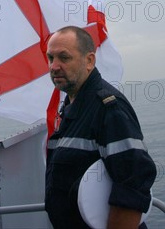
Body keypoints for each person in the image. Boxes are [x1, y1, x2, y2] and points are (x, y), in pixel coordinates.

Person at [45, 26, 156, 229]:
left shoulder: (108, 109)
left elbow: (134, 182)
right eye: (51, 58)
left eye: (64, 58)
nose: (54, 66)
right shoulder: (71, 108)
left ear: (89, 61)